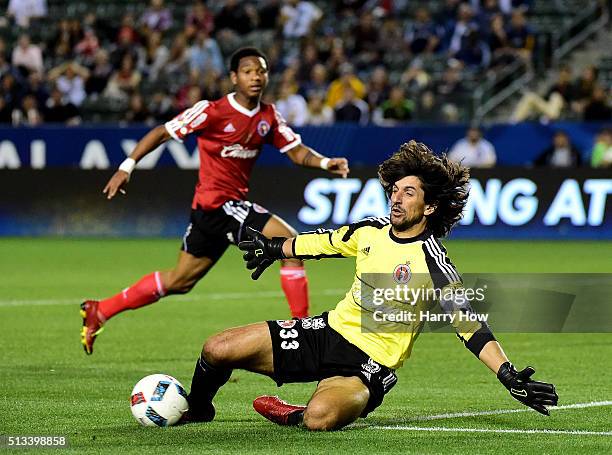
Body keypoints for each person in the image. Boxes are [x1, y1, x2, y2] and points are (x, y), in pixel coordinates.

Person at [178, 141, 558, 429]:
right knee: (218, 348)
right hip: (327, 332)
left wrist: (506, 373)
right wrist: (276, 248)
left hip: (368, 364)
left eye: (409, 193)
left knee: (319, 418)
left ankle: (297, 412)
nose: (396, 197)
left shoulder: (433, 262)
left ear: (428, 208)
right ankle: (198, 408)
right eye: (395, 190)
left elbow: (469, 325)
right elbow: (323, 242)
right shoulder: (371, 230)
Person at [80, 47, 350, 354]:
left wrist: (326, 163)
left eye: (261, 71)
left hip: (214, 212)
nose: (256, 77)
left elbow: (297, 152)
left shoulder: (268, 116)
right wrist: (126, 167)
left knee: (179, 281)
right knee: (290, 243)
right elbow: (161, 132)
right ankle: (304, 334)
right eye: (248, 72)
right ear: (234, 77)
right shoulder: (211, 110)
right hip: (218, 204)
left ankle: (100, 310)